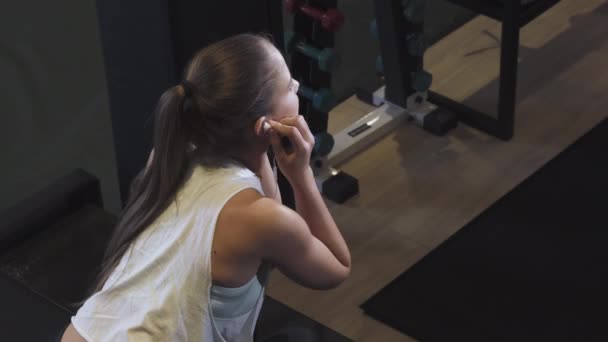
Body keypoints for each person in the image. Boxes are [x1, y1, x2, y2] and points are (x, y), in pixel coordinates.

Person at [59, 33, 351, 341]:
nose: (296, 87)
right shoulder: (261, 219)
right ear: (264, 125)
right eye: (289, 85)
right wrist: (300, 175)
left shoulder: (169, 159)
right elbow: (336, 267)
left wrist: (266, 151)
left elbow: (268, 234)